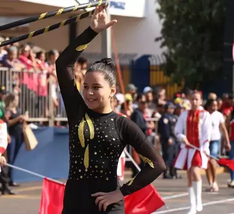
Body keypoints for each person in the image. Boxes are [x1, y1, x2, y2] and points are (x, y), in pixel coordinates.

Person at [55, 4, 165, 213]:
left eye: (96, 87)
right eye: (85, 87)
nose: (88, 93)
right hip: (74, 202)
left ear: (112, 90)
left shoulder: (123, 124)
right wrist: (92, 32)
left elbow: (157, 164)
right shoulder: (77, 110)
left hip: (107, 204)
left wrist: (122, 192)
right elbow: (63, 64)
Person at [174, 91, 212, 214]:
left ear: (201, 101)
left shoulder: (205, 115)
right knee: (189, 176)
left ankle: (198, 199)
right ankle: (192, 205)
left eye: (197, 99)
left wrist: (204, 147)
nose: (194, 102)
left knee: (195, 171)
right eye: (192, 99)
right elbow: (177, 130)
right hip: (187, 149)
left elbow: (207, 132)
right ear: (189, 101)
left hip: (199, 149)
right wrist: (182, 137)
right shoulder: (184, 114)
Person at [204, 99, 230, 192]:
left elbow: (223, 128)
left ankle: (215, 182)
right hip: (205, 141)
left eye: (216, 105)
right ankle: (210, 183)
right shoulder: (204, 114)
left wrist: (227, 141)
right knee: (206, 162)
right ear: (208, 106)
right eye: (212, 105)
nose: (214, 107)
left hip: (215, 140)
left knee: (212, 160)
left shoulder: (218, 115)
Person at [158, 102, 176, 179]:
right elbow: (165, 129)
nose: (172, 110)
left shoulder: (172, 117)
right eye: (170, 108)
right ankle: (166, 173)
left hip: (173, 138)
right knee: (167, 156)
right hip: (167, 139)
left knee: (173, 155)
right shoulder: (164, 118)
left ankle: (173, 172)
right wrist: (168, 137)